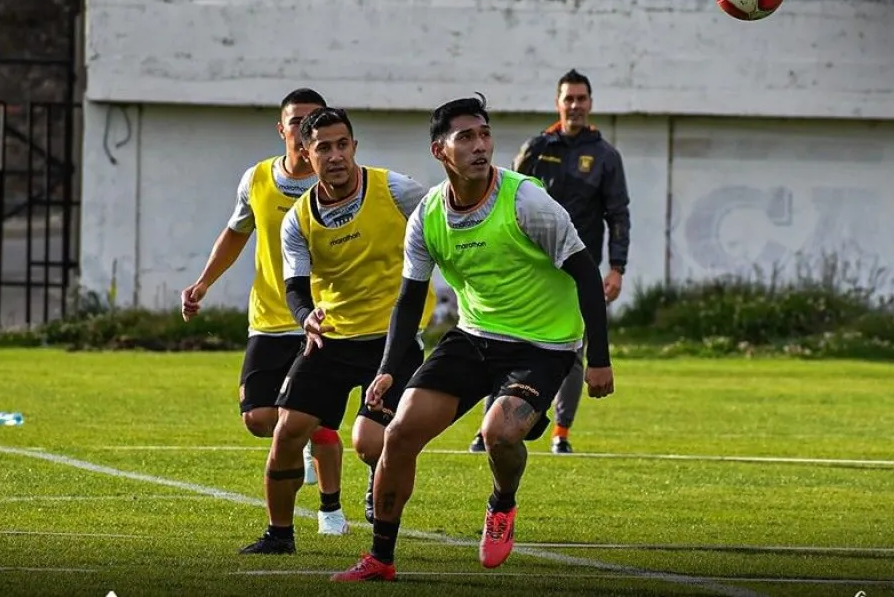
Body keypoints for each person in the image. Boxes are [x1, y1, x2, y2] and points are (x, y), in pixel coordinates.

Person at [330, 94, 614, 582]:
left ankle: (502, 504)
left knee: (499, 434)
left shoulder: (527, 201)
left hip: (543, 345)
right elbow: (407, 300)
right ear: (441, 151)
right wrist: (387, 370)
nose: (480, 145)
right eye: (466, 137)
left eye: (484, 134)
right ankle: (380, 558)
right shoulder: (427, 216)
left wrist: (600, 360)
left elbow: (588, 276)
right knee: (397, 434)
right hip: (475, 336)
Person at [252, 106, 436, 555]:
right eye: (322, 148)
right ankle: (279, 535)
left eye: (342, 145)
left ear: (354, 146)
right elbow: (295, 285)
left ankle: (380, 479)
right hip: (331, 338)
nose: (335, 156)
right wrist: (304, 317)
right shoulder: (299, 217)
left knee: (370, 442)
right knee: (287, 431)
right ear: (305, 153)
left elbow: (442, 225)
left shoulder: (396, 190)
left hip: (392, 338)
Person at [179, 88, 350, 547]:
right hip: (269, 320)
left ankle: (329, 508)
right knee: (258, 417)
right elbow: (236, 234)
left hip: (321, 320)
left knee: (316, 419)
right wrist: (203, 283)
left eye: (315, 120)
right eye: (297, 121)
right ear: (282, 130)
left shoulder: (336, 185)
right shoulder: (257, 178)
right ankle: (308, 438)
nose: (305, 129)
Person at [468, 68, 630, 455]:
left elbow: (618, 214)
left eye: (581, 99)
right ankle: (490, 423)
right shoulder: (537, 147)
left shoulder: (606, 156)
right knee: (505, 340)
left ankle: (561, 431)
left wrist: (616, 267)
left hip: (577, 269)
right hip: (529, 270)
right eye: (568, 99)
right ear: (558, 103)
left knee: (572, 349)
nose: (575, 106)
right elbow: (500, 197)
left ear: (590, 103)